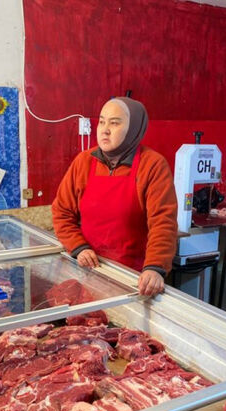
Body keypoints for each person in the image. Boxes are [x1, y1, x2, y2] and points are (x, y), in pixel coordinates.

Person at [52, 97, 178, 296]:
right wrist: (78, 247)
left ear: (134, 128)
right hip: (89, 270)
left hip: (133, 278)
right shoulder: (83, 162)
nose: (105, 130)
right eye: (102, 122)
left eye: (114, 123)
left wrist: (155, 267)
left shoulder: (152, 165)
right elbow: (62, 212)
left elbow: (163, 222)